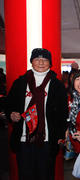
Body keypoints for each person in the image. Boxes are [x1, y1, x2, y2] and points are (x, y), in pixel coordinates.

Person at [6, 48, 68, 180]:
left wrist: (60, 135)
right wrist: (11, 114)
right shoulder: (20, 83)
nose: (41, 62)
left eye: (45, 60)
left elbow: (63, 114)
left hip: (47, 140)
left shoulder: (57, 85)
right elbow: (8, 105)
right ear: (31, 62)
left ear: (50, 63)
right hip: (24, 140)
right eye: (37, 59)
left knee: (46, 175)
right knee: (25, 175)